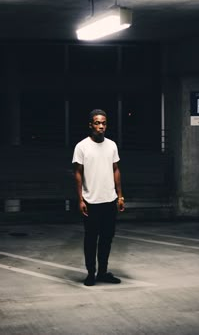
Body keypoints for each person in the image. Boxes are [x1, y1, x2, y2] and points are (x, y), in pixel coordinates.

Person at [72, 109, 125, 286]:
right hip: (91, 201)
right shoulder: (82, 146)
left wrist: (120, 196)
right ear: (90, 125)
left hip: (109, 200)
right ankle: (90, 273)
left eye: (103, 123)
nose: (101, 126)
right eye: (97, 122)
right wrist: (80, 199)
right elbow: (78, 174)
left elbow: (116, 169)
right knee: (91, 239)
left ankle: (102, 272)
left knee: (107, 238)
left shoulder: (111, 145)